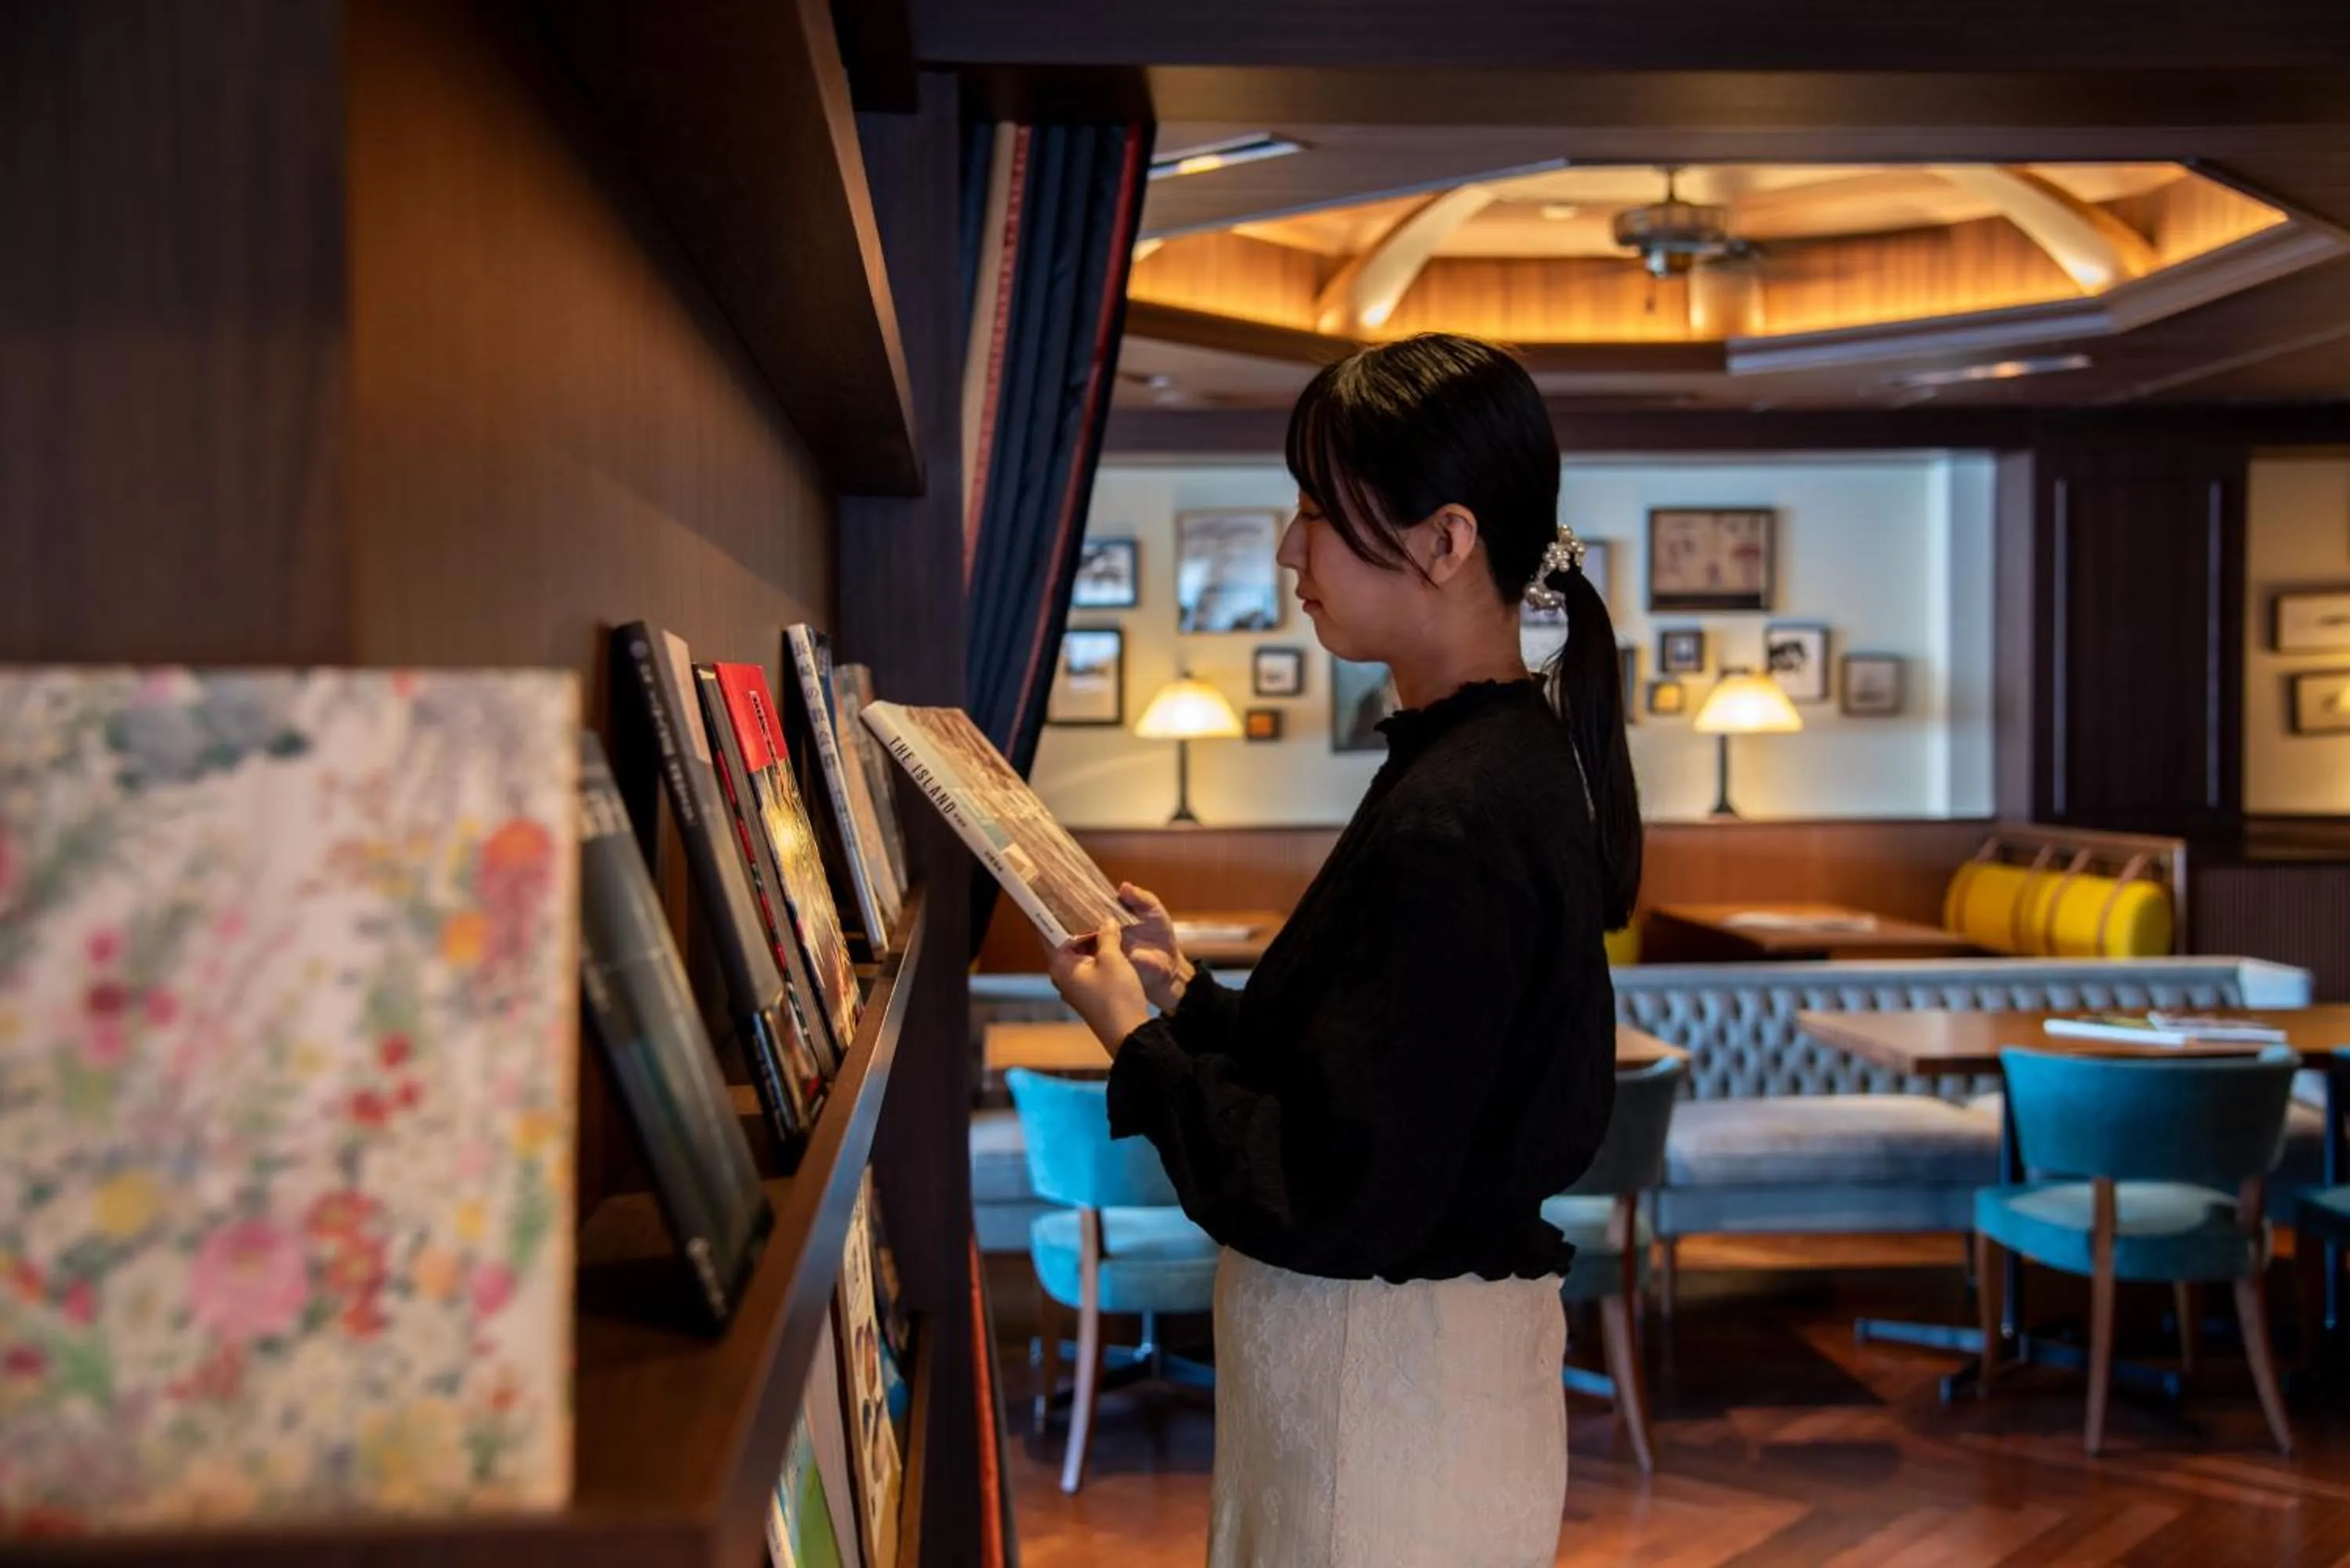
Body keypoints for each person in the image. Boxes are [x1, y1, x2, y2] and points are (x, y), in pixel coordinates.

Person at [1046, 333, 1641, 1568]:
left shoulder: (1460, 803)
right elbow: (1372, 1070)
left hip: (1379, 1413)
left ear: (1445, 539)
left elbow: (1338, 1190)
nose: (1287, 548)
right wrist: (1189, 1002)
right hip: (1409, 1389)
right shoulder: (1482, 760)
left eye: (1317, 509)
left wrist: (1138, 1042)